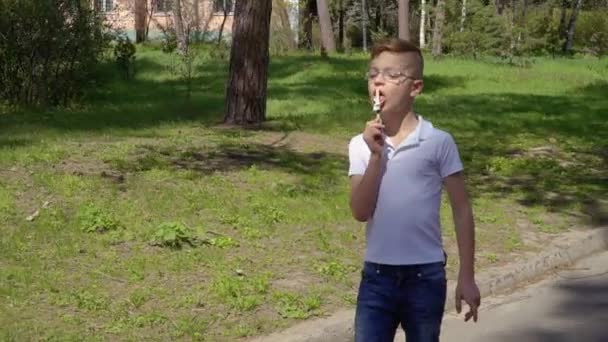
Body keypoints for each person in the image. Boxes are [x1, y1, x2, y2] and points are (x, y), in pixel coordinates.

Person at [348, 38, 481, 342]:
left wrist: (467, 276)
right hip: (376, 278)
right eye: (373, 73)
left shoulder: (438, 141)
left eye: (393, 75)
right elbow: (359, 212)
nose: (379, 81)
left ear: (416, 88)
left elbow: (461, 209)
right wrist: (376, 156)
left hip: (426, 277)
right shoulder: (361, 145)